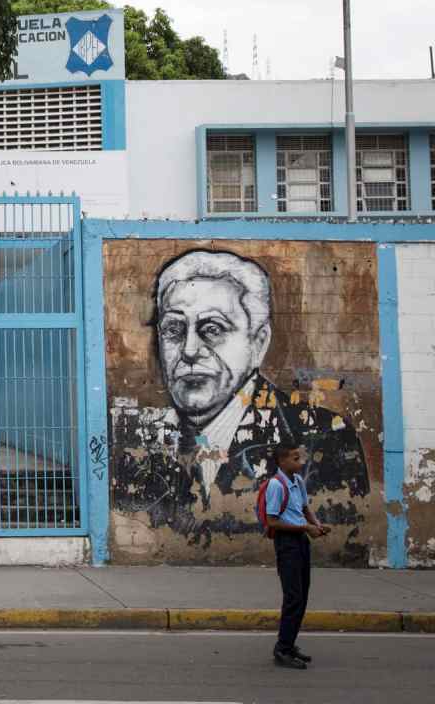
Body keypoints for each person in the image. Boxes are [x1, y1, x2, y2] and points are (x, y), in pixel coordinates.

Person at [112, 249, 369, 544]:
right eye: (174, 329)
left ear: (258, 344)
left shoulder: (322, 438)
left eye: (212, 329)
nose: (190, 350)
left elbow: (343, 542)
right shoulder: (138, 442)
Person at [265, 442, 330, 670]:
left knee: (302, 596)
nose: (300, 462)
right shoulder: (276, 485)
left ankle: (289, 644)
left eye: (299, 458)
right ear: (282, 462)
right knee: (293, 597)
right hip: (287, 544)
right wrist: (305, 529)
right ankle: (282, 649)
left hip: (301, 541)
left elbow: (304, 508)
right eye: (295, 458)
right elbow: (273, 521)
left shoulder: (298, 481)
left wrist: (317, 525)